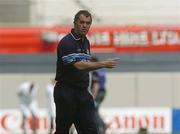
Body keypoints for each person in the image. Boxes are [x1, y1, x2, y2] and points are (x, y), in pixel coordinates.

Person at [54, 10, 119, 134]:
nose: (85, 25)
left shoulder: (86, 42)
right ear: (75, 23)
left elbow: (86, 67)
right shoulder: (67, 42)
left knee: (90, 130)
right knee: (62, 130)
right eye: (82, 22)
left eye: (88, 23)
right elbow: (78, 65)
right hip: (66, 91)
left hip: (82, 91)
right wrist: (103, 64)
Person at [90, 56, 107, 134]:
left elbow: (96, 85)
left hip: (98, 92)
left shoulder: (95, 70)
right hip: (103, 91)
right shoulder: (101, 69)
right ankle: (101, 127)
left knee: (93, 111)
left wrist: (93, 96)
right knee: (95, 110)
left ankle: (101, 126)